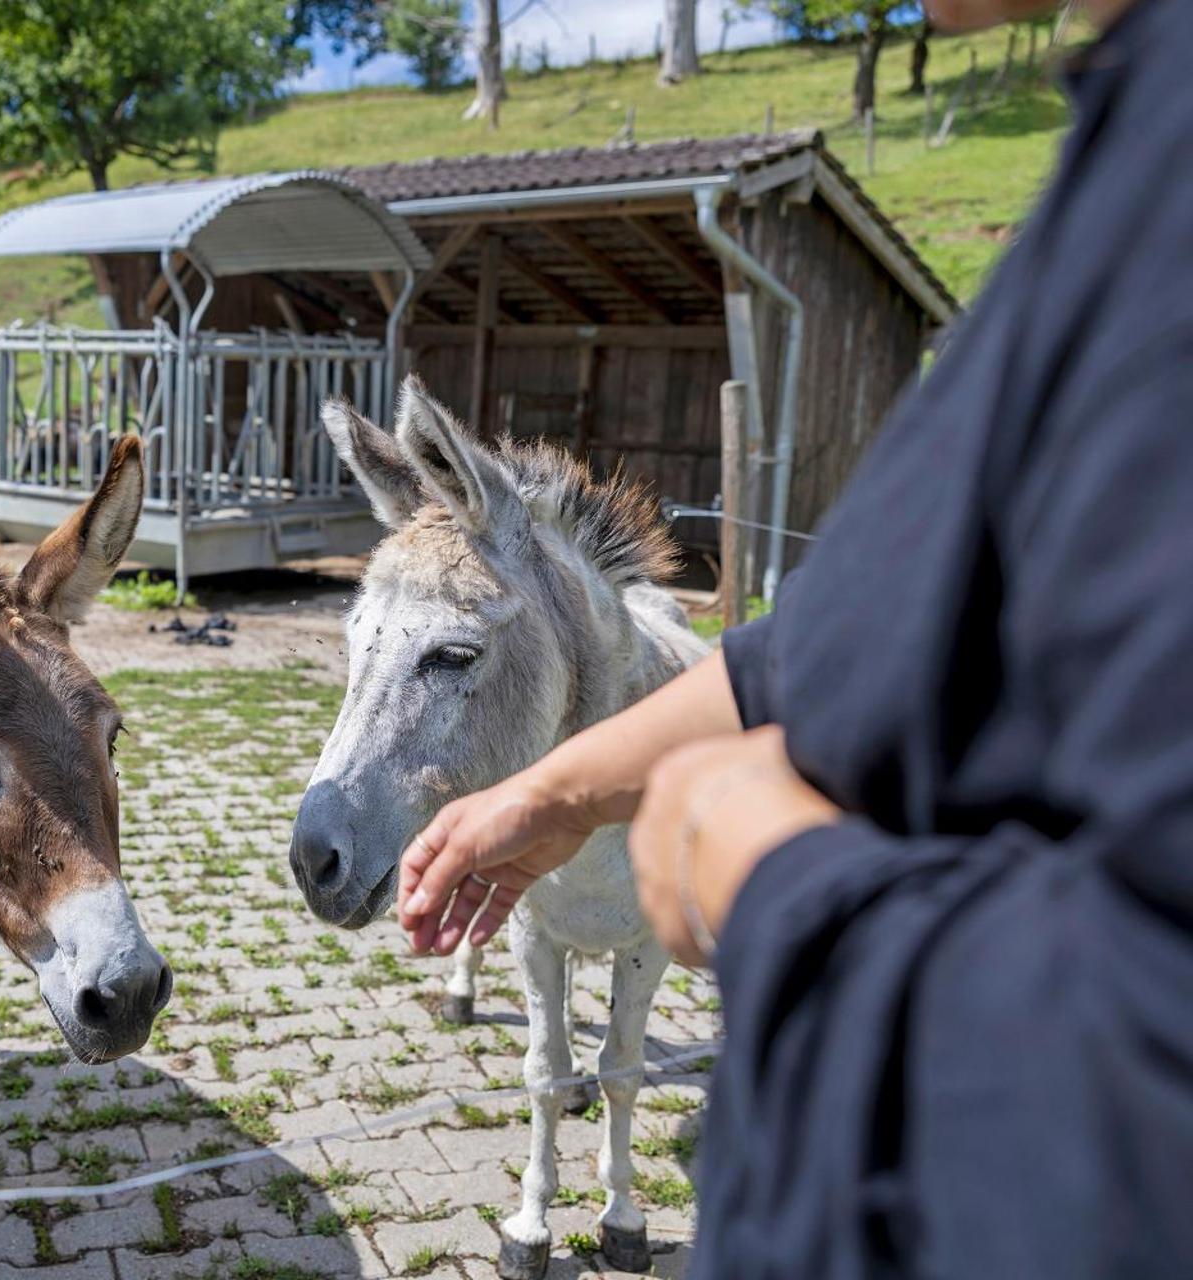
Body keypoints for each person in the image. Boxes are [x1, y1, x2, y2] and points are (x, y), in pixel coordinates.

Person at [395, 0, 1193, 1273]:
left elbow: (1148, 1053)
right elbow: (831, 654)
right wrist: (553, 790)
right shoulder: (1130, 145)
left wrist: (765, 876)